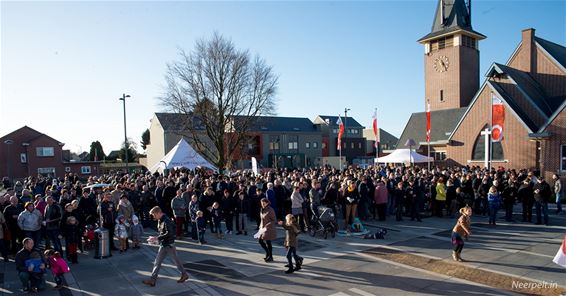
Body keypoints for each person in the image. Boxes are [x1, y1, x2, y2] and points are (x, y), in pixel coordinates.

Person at [143, 206, 189, 287]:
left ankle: (184, 274)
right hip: (164, 244)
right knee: (157, 262)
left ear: (158, 213)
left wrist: (157, 238)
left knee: (176, 261)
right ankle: (152, 280)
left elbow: (169, 233)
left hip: (169, 245)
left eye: (154, 215)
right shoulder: (160, 220)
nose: (153, 216)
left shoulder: (166, 220)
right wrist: (156, 239)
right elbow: (163, 233)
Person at [258, 198, 276, 262]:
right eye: (261, 203)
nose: (262, 204)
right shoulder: (262, 209)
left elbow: (274, 220)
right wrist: (260, 227)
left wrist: (267, 225)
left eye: (264, 203)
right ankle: (268, 253)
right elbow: (262, 219)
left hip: (268, 229)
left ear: (267, 203)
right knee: (260, 241)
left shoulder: (270, 210)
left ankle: (270, 256)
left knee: (268, 242)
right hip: (262, 228)